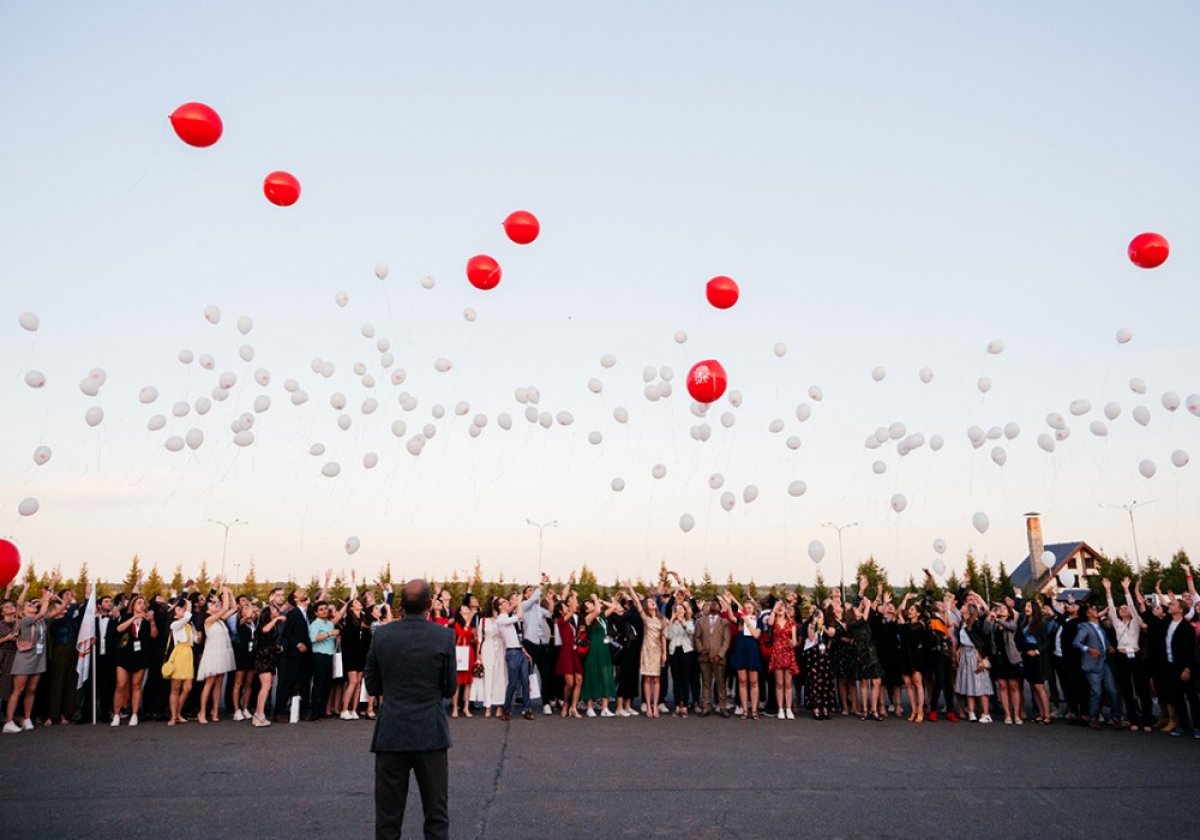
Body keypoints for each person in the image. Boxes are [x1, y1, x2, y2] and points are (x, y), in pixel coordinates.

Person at [365, 579, 456, 840]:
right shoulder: (443, 635)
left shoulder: (382, 635)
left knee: (388, 818)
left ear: (401, 604)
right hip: (430, 732)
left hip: (392, 732)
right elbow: (449, 688)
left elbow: (371, 684)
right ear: (430, 605)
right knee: (436, 815)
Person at [4, 580, 63, 733]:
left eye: (33, 604)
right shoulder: (24, 621)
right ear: (23, 611)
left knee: (31, 689)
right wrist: (46, 596)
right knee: (18, 689)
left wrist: (61, 599)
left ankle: (27, 718)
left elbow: (59, 610)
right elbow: (42, 611)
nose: (33, 606)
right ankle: (9, 721)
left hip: (38, 658)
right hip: (24, 659)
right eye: (29, 605)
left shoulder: (41, 621)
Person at [1074, 602, 1124, 731]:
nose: (1095, 611)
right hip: (1092, 664)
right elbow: (1076, 642)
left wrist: (1108, 646)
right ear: (1088, 615)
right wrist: (1088, 649)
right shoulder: (1084, 627)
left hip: (1105, 662)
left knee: (1113, 691)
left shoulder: (1100, 627)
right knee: (1097, 692)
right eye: (1092, 610)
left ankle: (1116, 718)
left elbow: (1103, 640)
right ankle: (1093, 718)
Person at [112, 592, 157, 727]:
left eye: (144, 604)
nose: (142, 605)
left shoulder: (147, 620)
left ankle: (135, 714)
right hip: (124, 654)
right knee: (121, 685)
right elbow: (119, 629)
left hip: (141, 655)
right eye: (139, 603)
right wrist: (134, 618)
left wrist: (152, 621)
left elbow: (154, 635)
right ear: (133, 605)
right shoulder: (126, 616)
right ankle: (116, 714)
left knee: (136, 685)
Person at [44, 587, 81, 727]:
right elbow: (66, 606)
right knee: (56, 683)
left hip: (72, 651)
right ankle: (51, 715)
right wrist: (61, 599)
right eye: (61, 607)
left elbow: (72, 608)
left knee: (69, 682)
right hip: (59, 651)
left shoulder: (70, 619)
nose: (64, 609)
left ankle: (65, 714)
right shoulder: (52, 621)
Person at [954, 597, 994, 723]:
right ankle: (971, 712)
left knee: (980, 684)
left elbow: (981, 642)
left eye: (965, 607)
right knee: (968, 684)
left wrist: (981, 658)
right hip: (965, 654)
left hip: (975, 655)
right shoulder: (963, 624)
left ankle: (985, 713)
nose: (962, 607)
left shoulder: (976, 624)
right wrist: (959, 649)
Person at [252, 593, 286, 727]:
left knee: (268, 684)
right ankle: (259, 713)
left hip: (270, 657)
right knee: (265, 685)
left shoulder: (274, 625)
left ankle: (259, 713)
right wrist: (276, 619)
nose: (276, 612)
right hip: (262, 657)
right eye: (273, 611)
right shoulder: (264, 624)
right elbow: (264, 630)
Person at [309, 599, 346, 721]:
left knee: (327, 685)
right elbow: (314, 638)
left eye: (325, 609)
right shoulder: (315, 624)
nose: (324, 611)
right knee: (318, 684)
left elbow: (339, 616)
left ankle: (322, 711)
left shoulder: (329, 623)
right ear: (316, 613)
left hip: (330, 656)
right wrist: (329, 634)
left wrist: (347, 603)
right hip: (319, 656)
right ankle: (314, 712)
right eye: (321, 609)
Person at [580, 594, 616, 717]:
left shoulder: (601, 616)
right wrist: (595, 599)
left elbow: (613, 607)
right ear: (586, 609)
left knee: (606, 677)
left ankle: (605, 707)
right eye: (589, 604)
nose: (592, 604)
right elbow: (598, 610)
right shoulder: (588, 617)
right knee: (591, 677)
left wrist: (602, 601)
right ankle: (589, 706)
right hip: (594, 650)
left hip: (604, 649)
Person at [164, 599, 196, 726]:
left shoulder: (188, 625)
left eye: (182, 609)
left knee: (188, 687)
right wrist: (189, 604)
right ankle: (173, 716)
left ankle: (177, 712)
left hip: (188, 653)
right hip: (179, 653)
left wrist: (198, 636)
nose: (182, 610)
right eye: (178, 609)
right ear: (175, 614)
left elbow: (195, 640)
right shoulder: (174, 624)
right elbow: (187, 617)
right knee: (175, 687)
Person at [765, 600, 799, 719]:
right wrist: (775, 608)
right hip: (777, 652)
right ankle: (780, 709)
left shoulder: (791, 623)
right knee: (779, 683)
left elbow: (795, 641)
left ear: (785, 609)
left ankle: (788, 708)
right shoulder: (773, 621)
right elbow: (769, 623)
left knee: (788, 683)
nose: (780, 609)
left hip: (788, 652)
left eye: (782, 607)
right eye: (779, 607)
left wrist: (792, 643)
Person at [554, 584, 583, 718]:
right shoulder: (560, 621)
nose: (567, 607)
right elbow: (572, 610)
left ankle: (573, 707)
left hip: (574, 652)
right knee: (569, 683)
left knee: (579, 680)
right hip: (566, 653)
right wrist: (574, 597)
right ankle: (565, 703)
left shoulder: (570, 622)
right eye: (565, 607)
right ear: (561, 611)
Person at [340, 596, 371, 721]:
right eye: (356, 603)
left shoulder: (363, 619)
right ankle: (344, 709)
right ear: (351, 607)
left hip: (361, 654)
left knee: (358, 682)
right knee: (352, 682)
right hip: (350, 654)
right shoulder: (349, 619)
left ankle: (354, 709)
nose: (359, 604)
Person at [639, 593, 667, 718]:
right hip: (646, 649)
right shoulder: (645, 617)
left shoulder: (662, 619)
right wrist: (629, 588)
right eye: (650, 602)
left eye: (653, 601)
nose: (652, 602)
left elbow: (664, 637)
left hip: (657, 650)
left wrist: (664, 653)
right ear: (647, 606)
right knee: (647, 678)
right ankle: (648, 705)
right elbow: (637, 604)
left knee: (656, 678)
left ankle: (655, 705)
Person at [451, 601, 477, 718]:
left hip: (469, 652)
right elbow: (462, 634)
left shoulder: (471, 624)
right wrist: (468, 621)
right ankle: (455, 707)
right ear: (460, 613)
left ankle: (466, 707)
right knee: (457, 682)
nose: (467, 610)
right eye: (464, 609)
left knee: (468, 682)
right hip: (460, 652)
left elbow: (473, 638)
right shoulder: (457, 623)